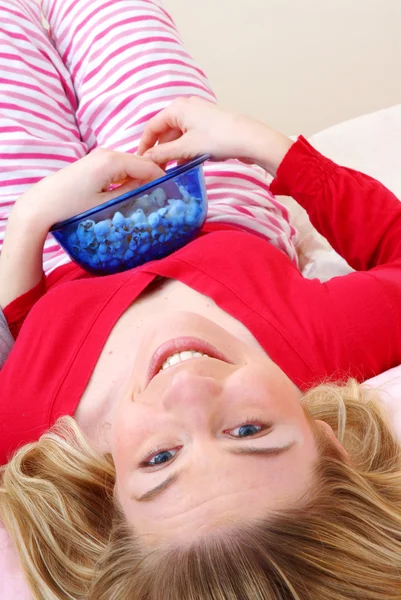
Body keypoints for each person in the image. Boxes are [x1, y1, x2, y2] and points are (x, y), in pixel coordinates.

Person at [0, 1, 401, 599]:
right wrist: (268, 147)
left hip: (41, 239)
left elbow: (31, 335)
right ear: (327, 442)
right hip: (203, 181)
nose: (188, 391)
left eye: (160, 460)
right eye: (248, 430)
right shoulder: (328, 345)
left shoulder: (36, 432)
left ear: (109, 500)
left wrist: (31, 221)